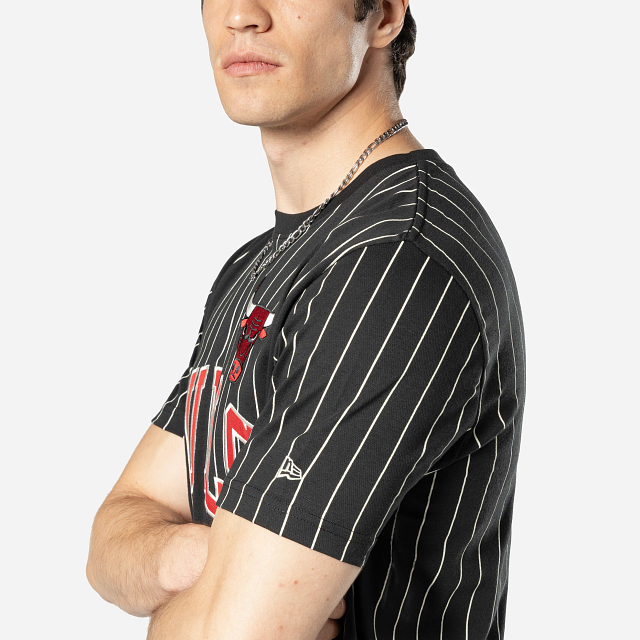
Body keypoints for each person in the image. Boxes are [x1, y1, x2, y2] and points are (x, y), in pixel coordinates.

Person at [86, 1, 526, 638]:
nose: (242, 15)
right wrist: (203, 561)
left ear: (383, 16)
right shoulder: (260, 263)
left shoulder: (394, 263)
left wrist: (213, 604)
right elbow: (112, 539)